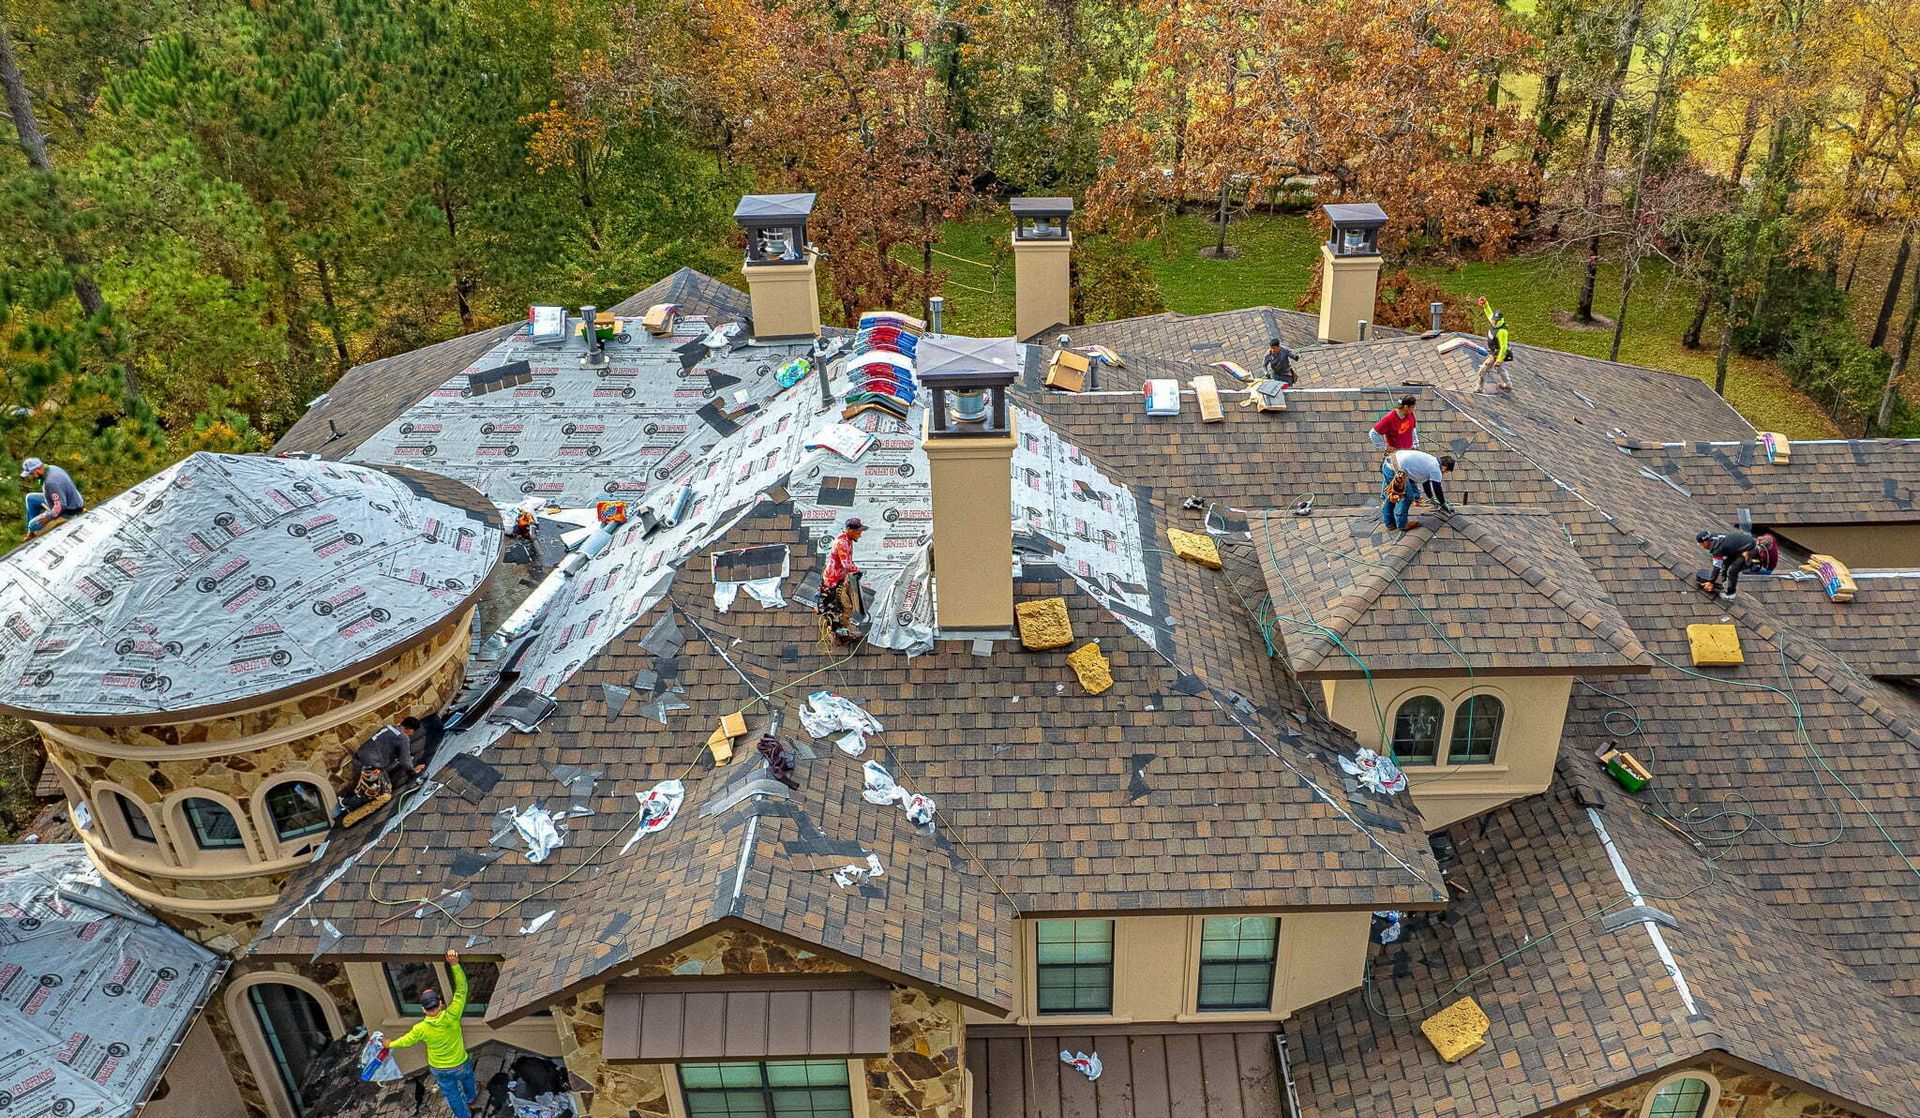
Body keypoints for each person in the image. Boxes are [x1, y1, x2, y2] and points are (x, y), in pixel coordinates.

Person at [388, 949, 477, 1118]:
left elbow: (406, 1041)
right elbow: (461, 990)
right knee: (467, 1079)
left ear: (423, 1009)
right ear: (441, 1004)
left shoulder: (420, 1029)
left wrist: (389, 1044)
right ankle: (472, 1098)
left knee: (452, 1095)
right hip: (459, 1063)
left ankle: (464, 1116)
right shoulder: (452, 1015)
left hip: (440, 1069)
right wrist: (455, 965)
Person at [818, 518, 867, 642]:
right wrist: (857, 570)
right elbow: (847, 564)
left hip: (840, 578)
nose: (860, 534)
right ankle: (838, 631)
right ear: (850, 531)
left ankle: (841, 627)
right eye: (858, 532)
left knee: (844, 603)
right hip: (832, 582)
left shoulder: (848, 540)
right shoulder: (842, 543)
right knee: (845, 606)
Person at [1382, 450, 1455, 531]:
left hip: (1388, 464)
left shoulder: (1430, 461)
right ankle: (1402, 524)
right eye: (1446, 471)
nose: (1444, 473)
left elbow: (1426, 483)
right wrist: (1443, 503)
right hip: (1395, 469)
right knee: (1407, 496)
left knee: (1391, 495)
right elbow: (1437, 488)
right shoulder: (1436, 469)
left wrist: (1431, 498)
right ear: (1444, 467)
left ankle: (1389, 523)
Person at [21, 458, 84, 534]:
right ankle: (30, 532)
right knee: (30, 498)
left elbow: (61, 506)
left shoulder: (50, 482)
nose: (31, 476)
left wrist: (48, 517)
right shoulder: (51, 468)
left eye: (31, 473)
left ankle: (33, 531)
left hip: (69, 511)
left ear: (38, 469)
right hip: (67, 499)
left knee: (32, 525)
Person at [1697, 529, 1756, 600]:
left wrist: (1711, 582)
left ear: (1705, 542)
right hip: (1741, 547)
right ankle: (1724, 582)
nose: (1701, 546)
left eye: (1701, 544)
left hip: (1749, 548)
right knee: (1725, 564)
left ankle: (1730, 594)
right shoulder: (1715, 538)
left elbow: (1717, 567)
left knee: (1732, 571)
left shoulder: (1717, 548)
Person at [1475, 297, 1512, 393]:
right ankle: (1507, 385)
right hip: (1493, 353)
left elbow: (1504, 347)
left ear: (1500, 320)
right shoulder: (1494, 323)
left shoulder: (1502, 331)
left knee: (1493, 369)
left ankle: (1507, 385)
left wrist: (1499, 360)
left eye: (1495, 320)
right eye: (1493, 320)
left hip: (1498, 353)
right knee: (1491, 369)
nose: (1492, 321)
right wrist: (1485, 304)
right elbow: (1489, 313)